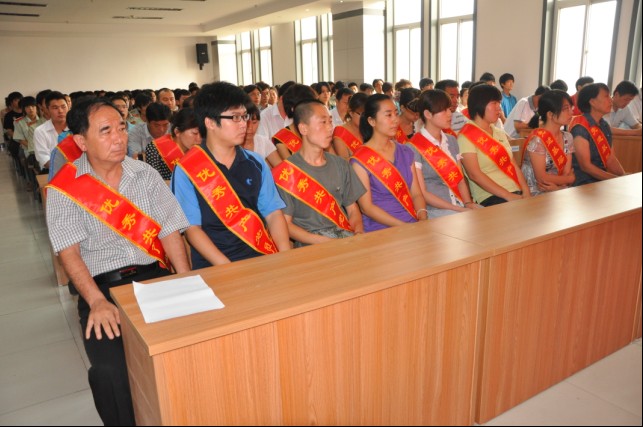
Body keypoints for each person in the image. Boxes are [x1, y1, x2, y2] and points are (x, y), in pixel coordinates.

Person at [45, 97, 191, 426]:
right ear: (81, 141)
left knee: (188, 345)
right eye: (106, 131)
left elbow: (170, 231)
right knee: (109, 371)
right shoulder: (64, 189)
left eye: (122, 128)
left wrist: (184, 280)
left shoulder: (145, 174)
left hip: (154, 276)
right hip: (103, 289)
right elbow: (70, 253)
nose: (119, 138)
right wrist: (95, 302)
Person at [172, 81, 291, 268]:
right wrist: (227, 267)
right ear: (210, 122)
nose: (244, 124)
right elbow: (192, 229)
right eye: (235, 117)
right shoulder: (187, 169)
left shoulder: (256, 162)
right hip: (215, 266)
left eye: (245, 116)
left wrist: (285, 258)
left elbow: (273, 214)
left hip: (260, 254)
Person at [272, 100, 365, 246]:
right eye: (323, 122)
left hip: (344, 238)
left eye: (330, 121)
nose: (330, 128)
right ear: (303, 128)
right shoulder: (286, 173)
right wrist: (326, 242)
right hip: (310, 246)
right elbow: (286, 225)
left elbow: (353, 210)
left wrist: (358, 233)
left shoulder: (340, 164)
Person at [350, 94, 427, 232]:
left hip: (412, 221)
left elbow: (416, 194)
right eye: (388, 115)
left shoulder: (405, 151)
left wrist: (422, 217)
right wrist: (405, 227)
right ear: (372, 121)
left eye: (396, 114)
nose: (395, 120)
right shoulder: (360, 160)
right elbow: (367, 208)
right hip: (381, 228)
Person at [408, 90, 480, 217]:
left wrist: (468, 203)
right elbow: (422, 192)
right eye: (443, 110)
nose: (449, 114)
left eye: (449, 109)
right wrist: (458, 209)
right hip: (435, 210)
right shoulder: (413, 147)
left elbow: (460, 180)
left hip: (459, 204)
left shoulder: (451, 140)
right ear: (428, 114)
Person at [458, 84, 531, 206]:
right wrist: (508, 196)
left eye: (499, 103)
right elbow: (474, 175)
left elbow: (512, 164)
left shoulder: (499, 132)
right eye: (494, 103)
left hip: (515, 190)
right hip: (490, 196)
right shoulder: (465, 136)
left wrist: (526, 190)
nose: (499, 108)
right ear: (479, 105)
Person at [520, 90, 576, 195]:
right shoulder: (537, 140)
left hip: (559, 190)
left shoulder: (568, 137)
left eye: (571, 108)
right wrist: (570, 179)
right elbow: (541, 178)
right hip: (536, 192)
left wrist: (559, 188)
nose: (571, 113)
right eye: (566, 109)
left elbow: (567, 172)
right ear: (550, 114)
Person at [570, 83, 625, 186]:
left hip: (601, 181)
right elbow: (585, 166)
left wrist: (623, 177)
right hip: (583, 183)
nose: (611, 100)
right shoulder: (580, 127)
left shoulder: (604, 125)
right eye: (606, 96)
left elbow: (611, 159)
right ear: (592, 102)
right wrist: (615, 180)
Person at [145, 108, 201, 180]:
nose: (199, 139)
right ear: (177, 132)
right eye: (195, 133)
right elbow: (153, 182)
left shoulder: (201, 149)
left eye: (202, 134)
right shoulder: (155, 148)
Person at [272, 83, 318, 160]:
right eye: (308, 105)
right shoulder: (282, 138)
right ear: (293, 108)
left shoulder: (318, 129)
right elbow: (294, 167)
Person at [34, 91, 70, 172]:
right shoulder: (40, 131)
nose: (60, 111)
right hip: (51, 170)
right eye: (55, 108)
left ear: (68, 107)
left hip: (78, 170)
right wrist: (66, 169)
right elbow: (43, 157)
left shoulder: (77, 127)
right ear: (47, 109)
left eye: (63, 107)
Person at [242, 101, 282, 168]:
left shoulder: (263, 142)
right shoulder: (231, 144)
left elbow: (280, 167)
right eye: (246, 123)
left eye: (254, 122)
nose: (250, 128)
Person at [332, 92, 368, 160]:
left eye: (368, 115)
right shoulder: (341, 132)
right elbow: (344, 164)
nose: (365, 118)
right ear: (351, 113)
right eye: (362, 115)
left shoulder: (370, 129)